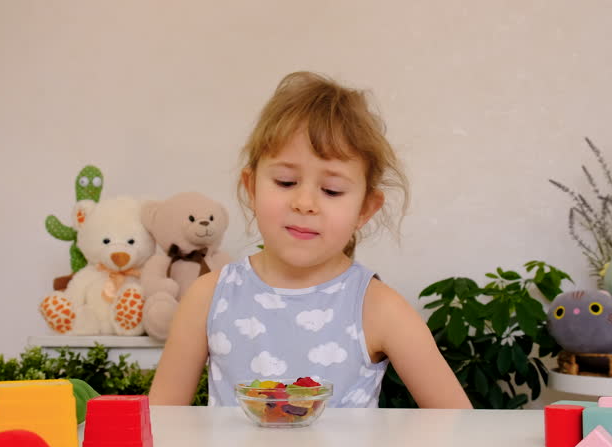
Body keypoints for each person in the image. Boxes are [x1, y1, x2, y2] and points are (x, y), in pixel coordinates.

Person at [149, 71, 472, 409]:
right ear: (251, 187)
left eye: (331, 190)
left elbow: (458, 424)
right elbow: (161, 423)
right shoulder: (208, 297)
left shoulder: (378, 308)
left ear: (365, 208)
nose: (304, 203)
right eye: (286, 182)